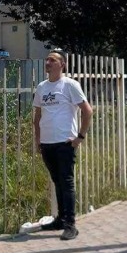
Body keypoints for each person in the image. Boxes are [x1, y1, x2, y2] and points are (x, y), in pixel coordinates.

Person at [33, 49, 93, 240]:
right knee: (57, 181)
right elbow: (37, 116)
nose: (48, 63)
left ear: (62, 65)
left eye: (52, 60)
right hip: (47, 142)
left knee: (66, 183)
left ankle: (70, 224)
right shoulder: (42, 87)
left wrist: (80, 137)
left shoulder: (69, 85)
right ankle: (60, 219)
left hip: (64, 142)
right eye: (47, 60)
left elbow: (87, 111)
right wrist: (38, 139)